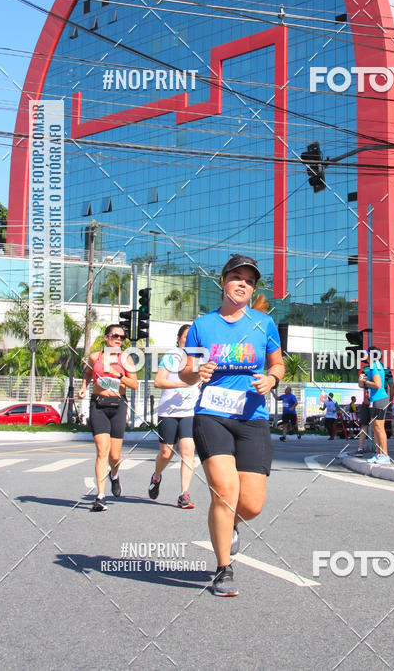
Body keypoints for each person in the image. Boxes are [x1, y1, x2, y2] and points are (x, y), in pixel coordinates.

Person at [179, 255, 284, 597]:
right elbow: (185, 371)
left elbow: (278, 364)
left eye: (250, 281)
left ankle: (231, 524)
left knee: (251, 504)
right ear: (222, 282)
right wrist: (197, 373)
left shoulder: (264, 323)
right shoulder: (203, 325)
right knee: (224, 492)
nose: (243, 284)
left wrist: (271, 379)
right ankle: (223, 569)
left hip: (252, 417)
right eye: (236, 277)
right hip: (212, 415)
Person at [79, 324, 138, 511]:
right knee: (102, 451)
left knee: (115, 455)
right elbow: (88, 374)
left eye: (122, 337)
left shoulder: (126, 359)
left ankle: (114, 474)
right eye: (115, 336)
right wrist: (83, 387)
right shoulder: (95, 357)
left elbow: (134, 385)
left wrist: (118, 375)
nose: (119, 339)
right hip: (98, 405)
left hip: (118, 405)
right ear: (106, 338)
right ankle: (101, 496)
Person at [148, 324, 199, 508]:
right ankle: (156, 476)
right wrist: (183, 385)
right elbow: (158, 381)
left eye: (192, 337)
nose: (189, 340)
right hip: (168, 412)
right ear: (178, 339)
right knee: (166, 452)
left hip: (189, 412)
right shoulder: (171, 356)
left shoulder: (199, 358)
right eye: (186, 337)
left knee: (188, 452)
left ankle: (184, 494)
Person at [359, 347, 390, 463]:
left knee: (379, 428)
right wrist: (363, 380)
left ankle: (385, 455)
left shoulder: (376, 366)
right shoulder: (373, 367)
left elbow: (378, 384)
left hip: (379, 399)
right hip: (374, 399)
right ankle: (379, 454)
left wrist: (366, 381)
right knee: (375, 428)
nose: (364, 355)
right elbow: (362, 385)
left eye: (366, 354)